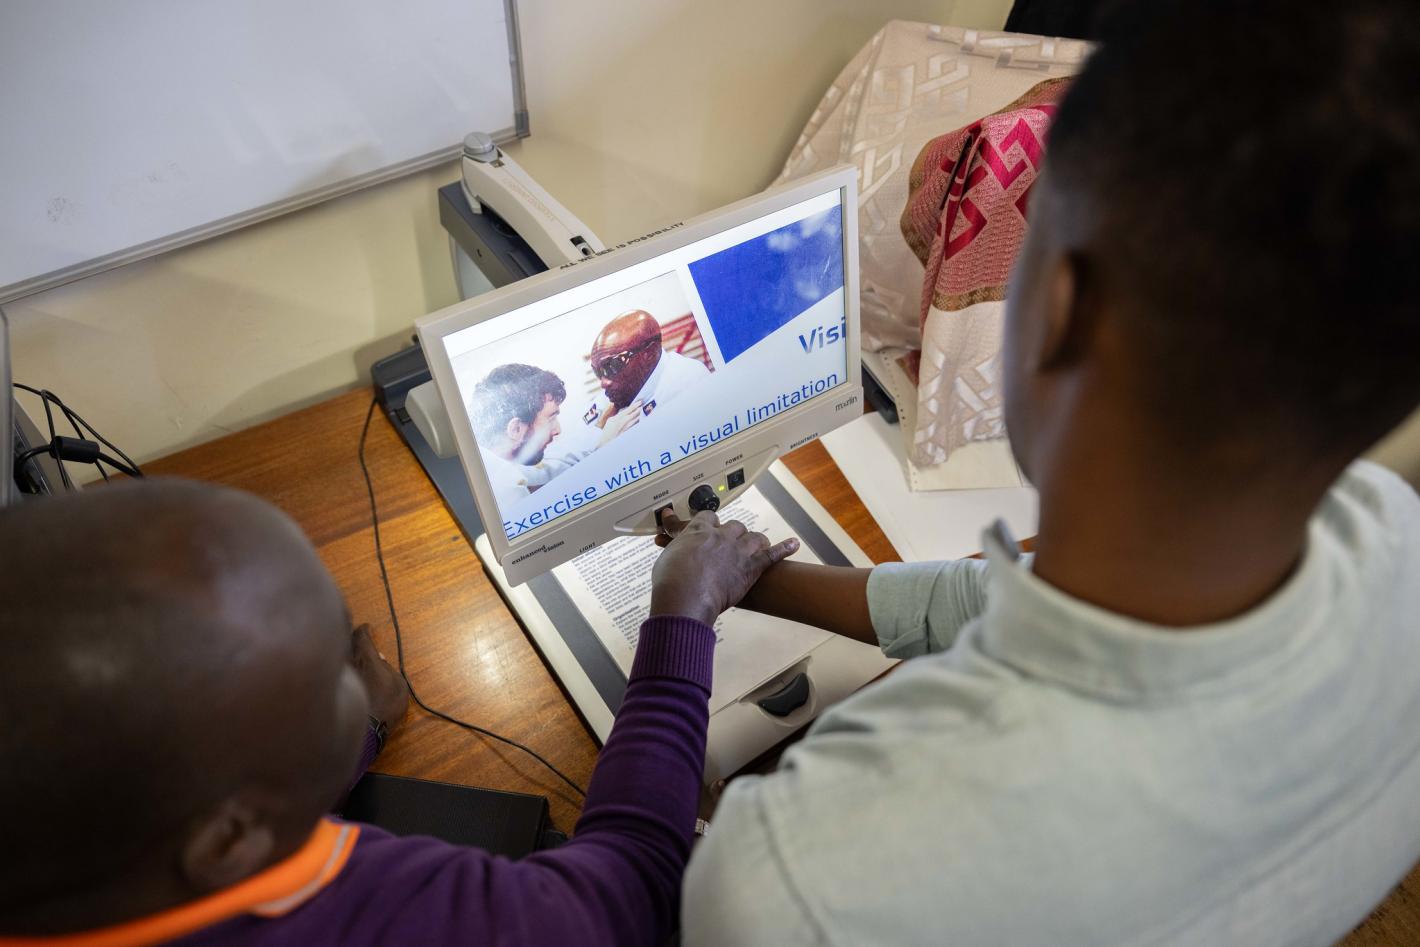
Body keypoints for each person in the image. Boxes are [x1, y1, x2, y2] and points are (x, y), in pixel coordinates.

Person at [671, 1, 1420, 944]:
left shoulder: (800, 880)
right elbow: (1005, 602)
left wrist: (670, 646)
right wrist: (753, 582)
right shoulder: (1395, 535)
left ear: (1059, 306)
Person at [0, 479, 796, 945]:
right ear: (233, 839)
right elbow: (629, 887)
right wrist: (682, 618)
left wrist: (348, 736)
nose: (366, 663)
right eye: (334, 675)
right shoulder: (363, 916)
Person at [469, 362, 638, 510]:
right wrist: (604, 454)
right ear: (515, 429)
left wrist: (599, 431)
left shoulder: (493, 465)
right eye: (551, 418)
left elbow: (549, 470)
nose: (557, 430)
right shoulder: (504, 492)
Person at [581, 309, 710, 433]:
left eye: (612, 365)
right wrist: (600, 432)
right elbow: (571, 449)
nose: (603, 383)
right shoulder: (611, 396)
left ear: (649, 353)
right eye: (597, 372)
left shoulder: (688, 382)